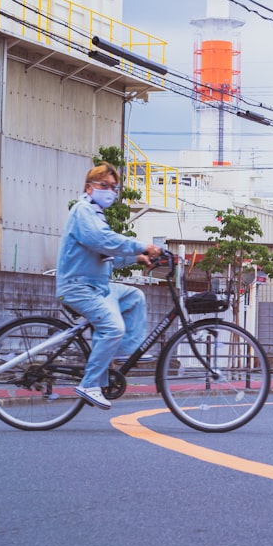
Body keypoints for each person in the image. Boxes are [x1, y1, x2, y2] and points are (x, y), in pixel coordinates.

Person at [56, 162, 161, 409]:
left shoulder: (95, 214)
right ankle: (90, 384)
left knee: (134, 296)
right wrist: (140, 246)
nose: (110, 191)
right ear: (89, 188)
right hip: (78, 287)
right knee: (113, 327)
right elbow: (102, 240)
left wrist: (136, 258)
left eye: (113, 187)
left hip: (98, 286)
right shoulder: (83, 211)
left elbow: (105, 255)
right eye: (104, 185)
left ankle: (124, 351)